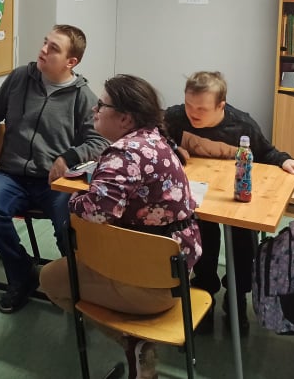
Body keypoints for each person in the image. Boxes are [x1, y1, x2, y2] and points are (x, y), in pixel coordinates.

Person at [40, 74, 202, 379]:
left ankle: (130, 340)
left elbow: (95, 212)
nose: (95, 110)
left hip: (147, 285)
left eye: (102, 105)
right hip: (177, 276)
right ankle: (135, 341)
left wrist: (75, 198)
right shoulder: (156, 139)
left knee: (50, 280)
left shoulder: (123, 154)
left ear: (125, 118)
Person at [0, 25, 107, 313]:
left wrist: (68, 157)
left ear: (71, 61)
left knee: (68, 223)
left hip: (55, 182)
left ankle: (73, 281)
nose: (43, 50)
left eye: (53, 48)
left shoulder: (83, 97)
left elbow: (99, 141)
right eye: (45, 43)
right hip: (13, 176)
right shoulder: (20, 77)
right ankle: (22, 274)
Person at [164, 71, 294, 334]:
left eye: (202, 109)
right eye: (189, 105)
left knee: (243, 241)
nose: (192, 113)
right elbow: (156, 134)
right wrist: (172, 147)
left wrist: (285, 160)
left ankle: (236, 297)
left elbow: (267, 152)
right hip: (199, 197)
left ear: (221, 106)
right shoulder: (175, 117)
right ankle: (204, 291)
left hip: (234, 195)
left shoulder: (242, 125)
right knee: (201, 238)